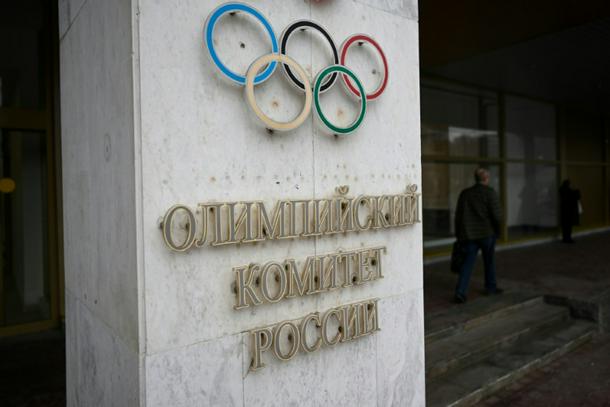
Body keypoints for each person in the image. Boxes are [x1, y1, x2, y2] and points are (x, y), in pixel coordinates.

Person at [453, 168, 502, 303]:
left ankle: (460, 292)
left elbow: (459, 215)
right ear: (486, 178)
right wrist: (498, 231)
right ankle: (491, 287)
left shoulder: (465, 193)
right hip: (487, 234)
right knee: (489, 261)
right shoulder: (490, 193)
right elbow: (497, 216)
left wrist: (458, 234)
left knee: (467, 264)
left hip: (469, 235)